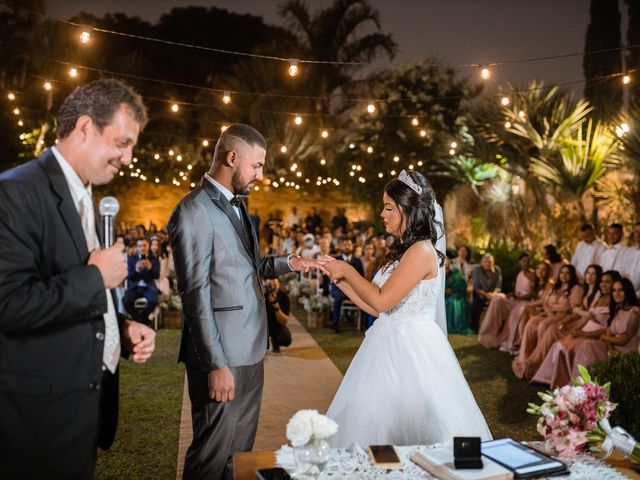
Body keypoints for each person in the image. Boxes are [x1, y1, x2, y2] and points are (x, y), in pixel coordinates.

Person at [0, 79, 156, 479]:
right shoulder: (15, 192)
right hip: (33, 422)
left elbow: (77, 293)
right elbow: (9, 304)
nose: (128, 157)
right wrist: (95, 277)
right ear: (85, 128)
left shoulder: (89, 198)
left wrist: (121, 328)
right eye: (122, 143)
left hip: (82, 414)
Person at [168, 123, 322, 480]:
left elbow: (251, 268)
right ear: (232, 157)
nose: (261, 175)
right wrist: (215, 363)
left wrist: (291, 263)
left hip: (251, 350)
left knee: (238, 456)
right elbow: (195, 293)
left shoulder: (240, 207)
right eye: (257, 165)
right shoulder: (193, 211)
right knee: (211, 455)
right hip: (222, 356)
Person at [323, 170, 491, 447]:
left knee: (414, 423)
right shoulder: (402, 251)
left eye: (389, 207)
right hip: (385, 341)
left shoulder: (422, 251)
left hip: (411, 349)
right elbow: (378, 309)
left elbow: (380, 300)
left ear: (409, 210)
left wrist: (349, 271)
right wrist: (342, 281)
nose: (382, 214)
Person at [478, 252, 535, 348]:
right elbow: (518, 291)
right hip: (516, 300)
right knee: (497, 298)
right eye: (524, 261)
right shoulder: (520, 274)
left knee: (517, 308)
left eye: (528, 261)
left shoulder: (533, 275)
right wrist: (511, 295)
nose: (526, 263)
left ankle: (512, 339)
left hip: (525, 302)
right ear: (520, 262)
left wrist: (519, 297)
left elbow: (533, 294)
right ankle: (489, 334)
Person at [329, 238, 364, 332]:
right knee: (338, 298)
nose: (347, 246)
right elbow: (332, 276)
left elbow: (361, 277)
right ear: (340, 246)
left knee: (364, 297)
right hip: (338, 288)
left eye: (349, 244)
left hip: (353, 288)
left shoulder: (357, 261)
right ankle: (335, 325)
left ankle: (362, 324)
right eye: (344, 244)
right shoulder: (336, 260)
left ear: (352, 246)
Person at [123, 237, 160, 323]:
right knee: (126, 301)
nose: (142, 248)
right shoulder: (131, 258)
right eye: (140, 246)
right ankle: (141, 320)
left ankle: (141, 321)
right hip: (135, 287)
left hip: (148, 287)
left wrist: (150, 268)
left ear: (148, 246)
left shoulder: (154, 259)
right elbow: (129, 277)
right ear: (137, 247)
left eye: (144, 245)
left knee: (154, 300)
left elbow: (157, 275)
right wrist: (136, 270)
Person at [470, 253, 502, 333]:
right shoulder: (477, 270)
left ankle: (495, 329)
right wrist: (485, 294)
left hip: (493, 294)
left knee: (498, 301)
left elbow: (498, 286)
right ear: (482, 262)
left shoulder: (497, 270)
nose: (488, 263)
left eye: (490, 262)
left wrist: (493, 294)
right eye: (485, 261)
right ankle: (474, 327)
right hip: (480, 293)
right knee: (478, 301)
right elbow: (476, 287)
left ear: (493, 262)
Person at [264, 278, 292, 353]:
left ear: (279, 284)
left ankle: (275, 342)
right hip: (262, 326)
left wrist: (276, 307)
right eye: (269, 285)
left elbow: (284, 321)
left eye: (275, 285)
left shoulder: (284, 297)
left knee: (285, 338)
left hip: (277, 326)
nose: (272, 288)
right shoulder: (261, 295)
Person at [445, 255, 472, 334]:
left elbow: (462, 285)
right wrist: (445, 290)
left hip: (457, 293)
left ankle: (457, 326)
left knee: (455, 301)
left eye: (447, 260)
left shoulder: (456, 272)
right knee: (450, 301)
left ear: (450, 262)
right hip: (442, 295)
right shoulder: (438, 272)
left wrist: (453, 290)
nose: (445, 262)